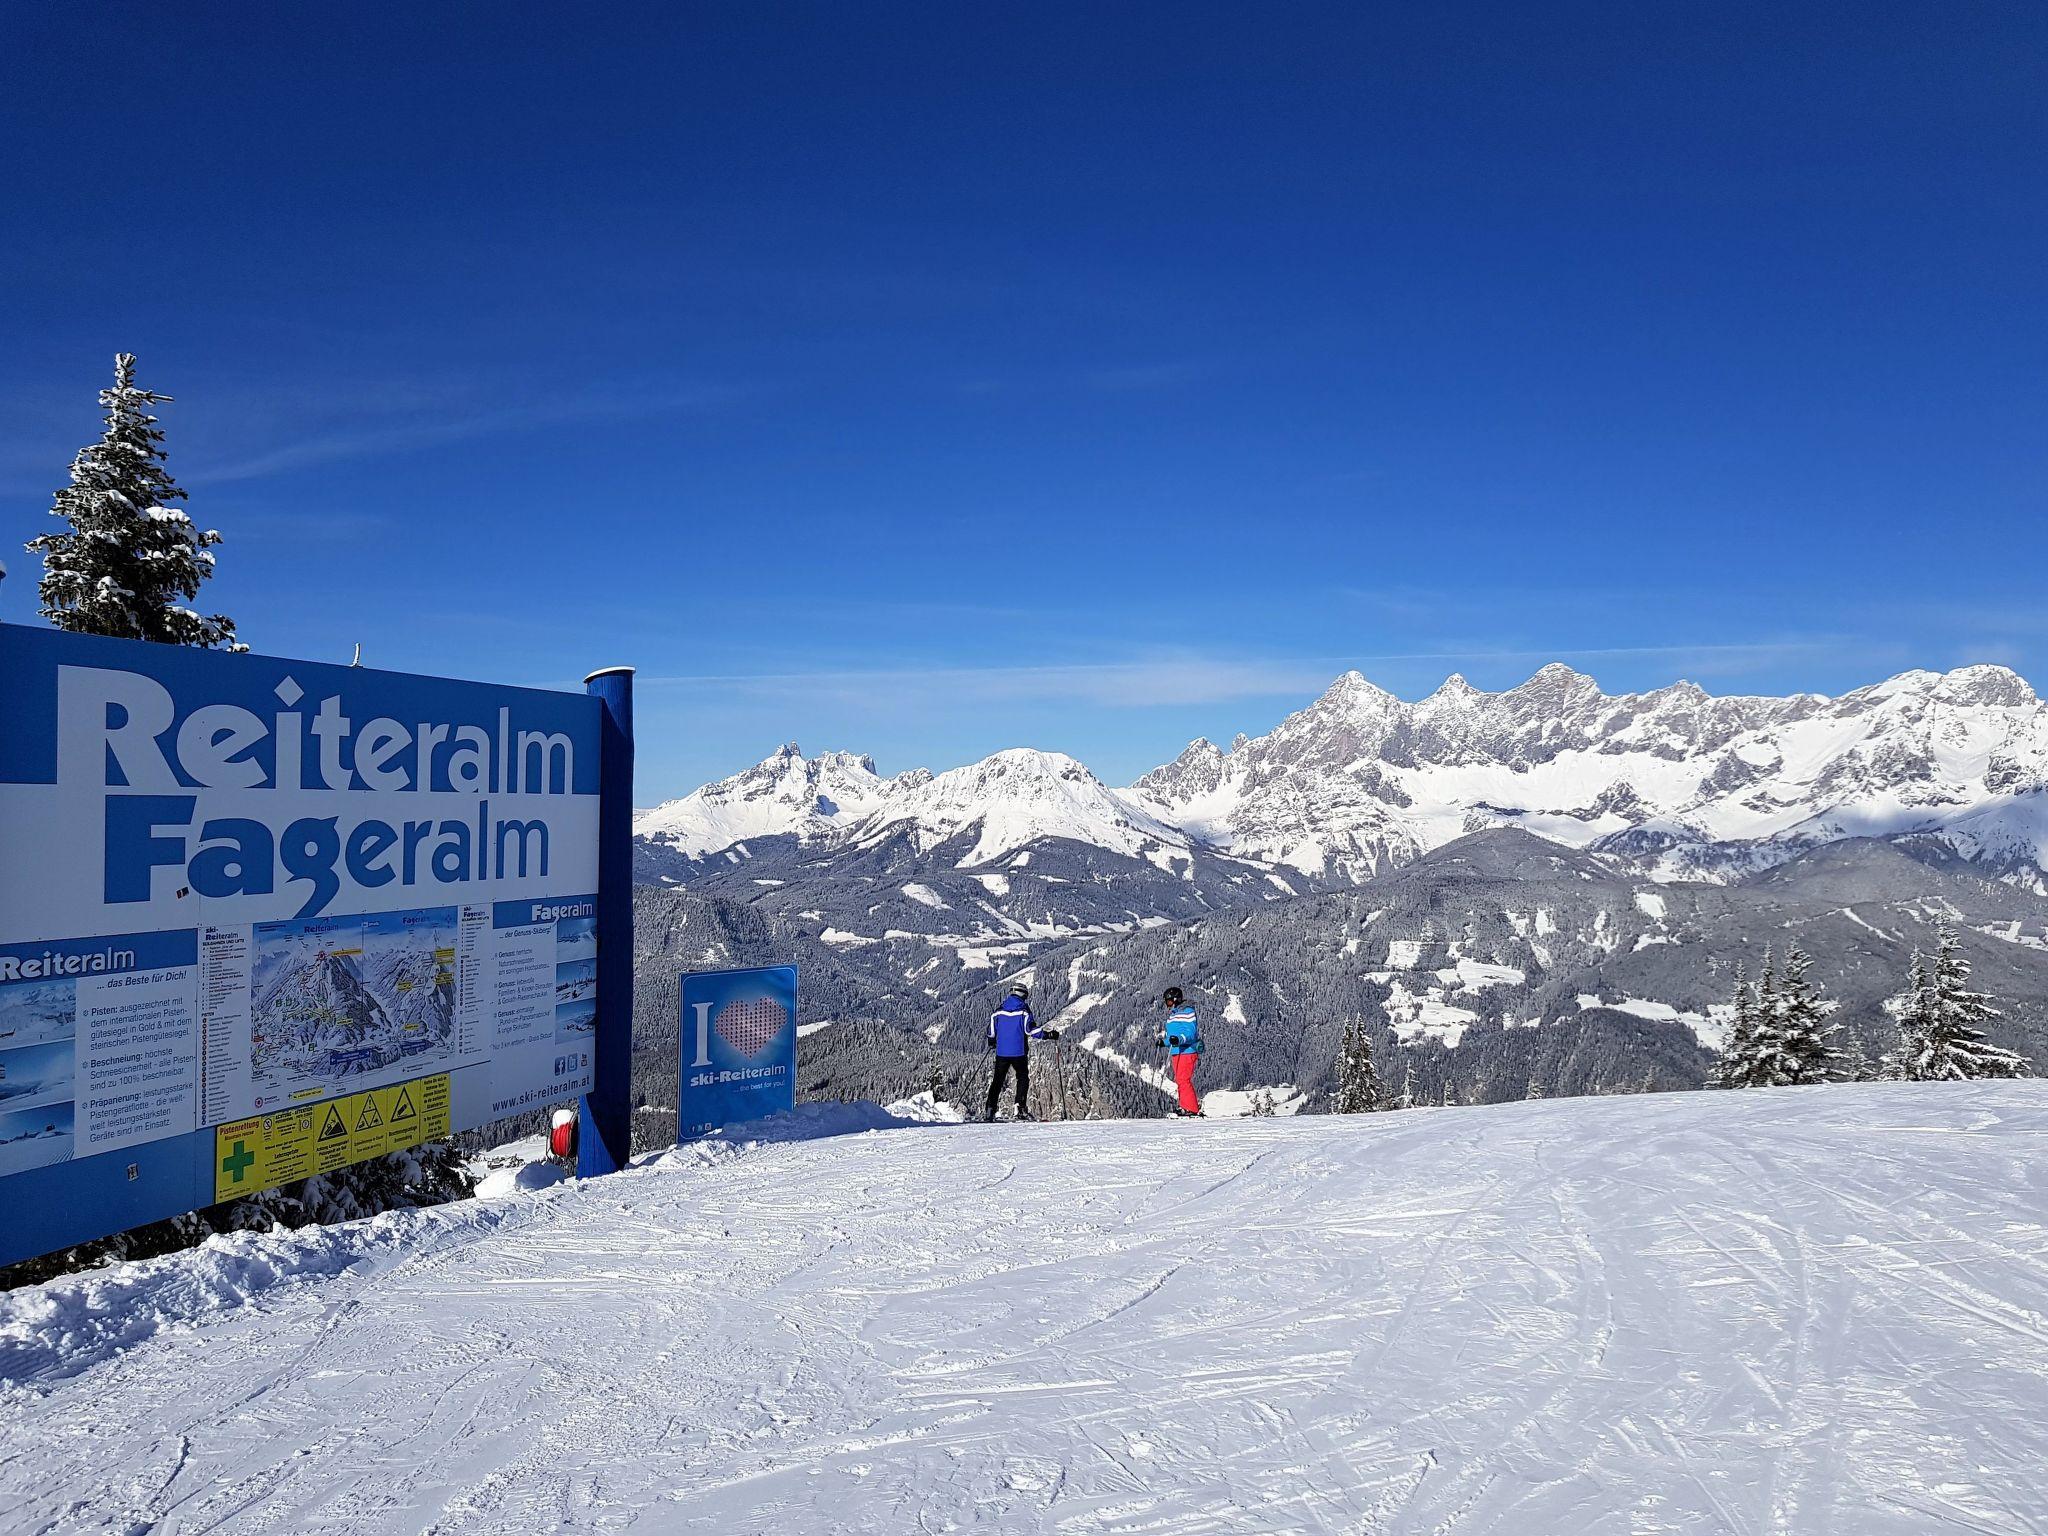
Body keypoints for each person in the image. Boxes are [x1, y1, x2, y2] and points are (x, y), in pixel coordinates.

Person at [985, 983, 1057, 1121]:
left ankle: (990, 1109)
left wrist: (992, 1042)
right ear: (1023, 995)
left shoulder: (998, 1012)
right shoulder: (1024, 1011)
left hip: (1002, 1053)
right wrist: (1048, 1035)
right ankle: (1020, 1108)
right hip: (1019, 1052)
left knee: (997, 1081)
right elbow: (1030, 1030)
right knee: (1022, 1078)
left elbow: (991, 1032)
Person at [1157, 986, 1203, 1116]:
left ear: (1176, 999)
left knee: (1183, 1079)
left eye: (1169, 1001)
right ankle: (1184, 1106)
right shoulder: (1173, 1014)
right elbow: (1172, 1037)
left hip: (1187, 1050)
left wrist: (1179, 1040)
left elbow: (1190, 1033)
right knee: (1180, 1080)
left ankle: (1192, 1109)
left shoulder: (1188, 1011)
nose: (1168, 1004)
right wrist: (1164, 1042)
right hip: (1177, 1051)